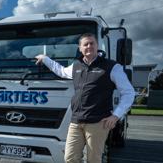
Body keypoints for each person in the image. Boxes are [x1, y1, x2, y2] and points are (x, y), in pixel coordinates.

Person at [35, 33, 135, 163]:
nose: (89, 46)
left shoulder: (112, 67)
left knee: (94, 160)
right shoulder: (76, 65)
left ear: (97, 46)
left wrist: (116, 116)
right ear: (80, 48)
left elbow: (129, 93)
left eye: (92, 43)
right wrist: (45, 59)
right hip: (76, 121)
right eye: (85, 44)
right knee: (70, 158)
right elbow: (61, 71)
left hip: (98, 122)